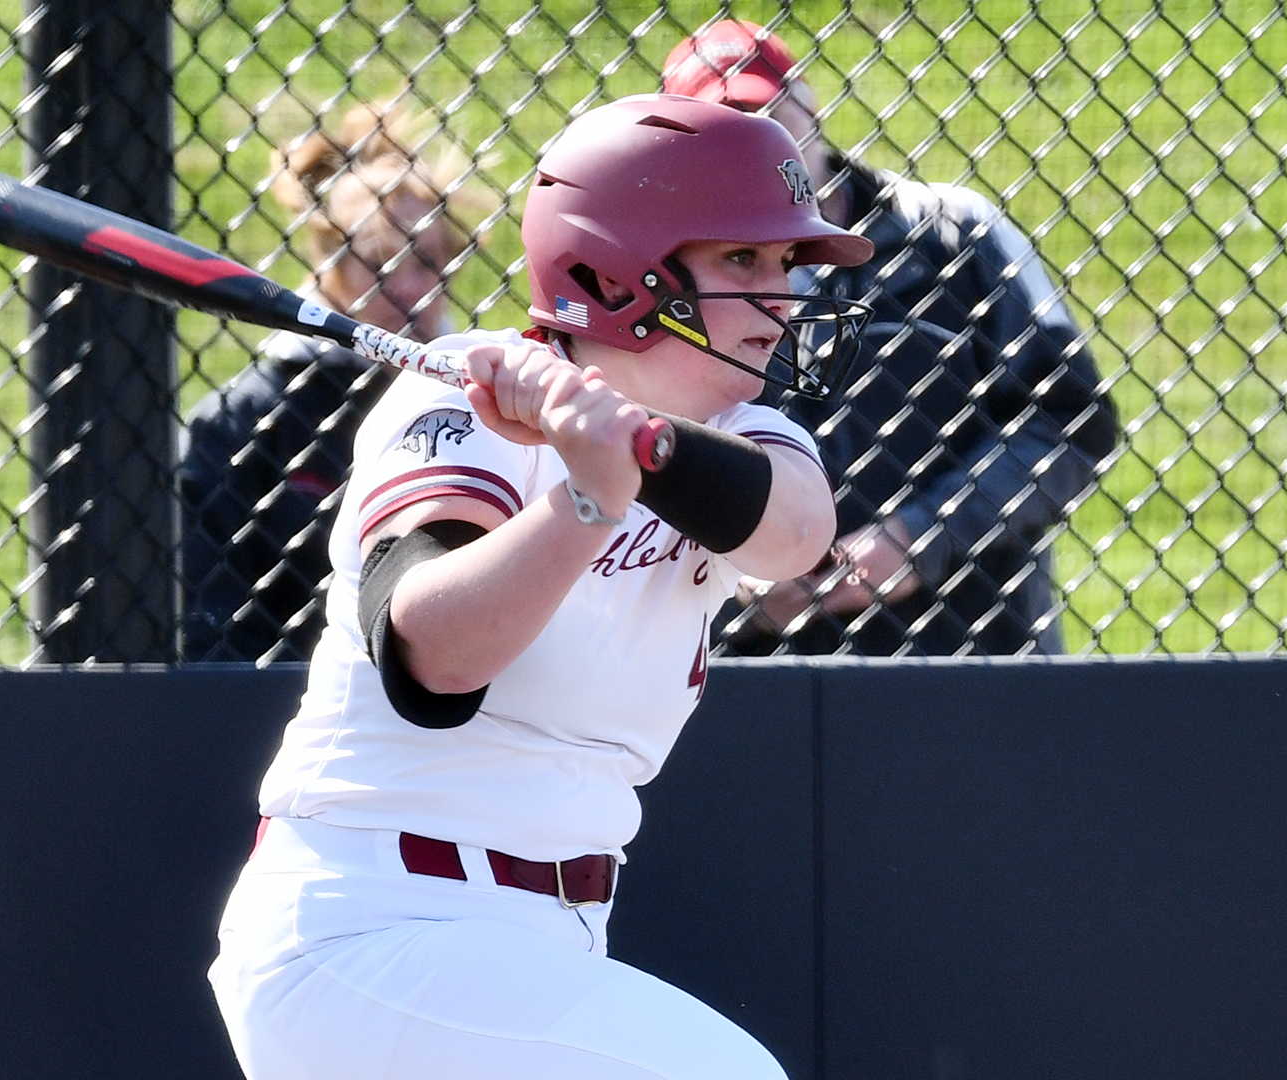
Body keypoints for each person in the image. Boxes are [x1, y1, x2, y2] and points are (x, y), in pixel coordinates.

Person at [206, 94, 873, 1080]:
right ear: (622, 274)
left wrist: (629, 443)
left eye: (784, 264)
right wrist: (582, 503)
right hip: (371, 931)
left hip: (545, 943)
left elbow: (795, 534)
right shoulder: (456, 401)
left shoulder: (745, 433)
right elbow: (430, 656)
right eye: (745, 261)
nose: (783, 295)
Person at [663, 20, 1120, 656]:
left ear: (809, 104)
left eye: (765, 113)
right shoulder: (657, 279)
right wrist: (738, 581)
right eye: (722, 129)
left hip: (971, 644)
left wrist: (920, 535)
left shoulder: (954, 233)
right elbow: (637, 452)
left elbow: (1071, 420)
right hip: (743, 670)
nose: (754, 144)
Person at [181, 102, 484, 662]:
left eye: (427, 260)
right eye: (378, 263)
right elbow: (211, 627)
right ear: (326, 263)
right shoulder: (251, 419)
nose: (410, 289)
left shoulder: (483, 405)